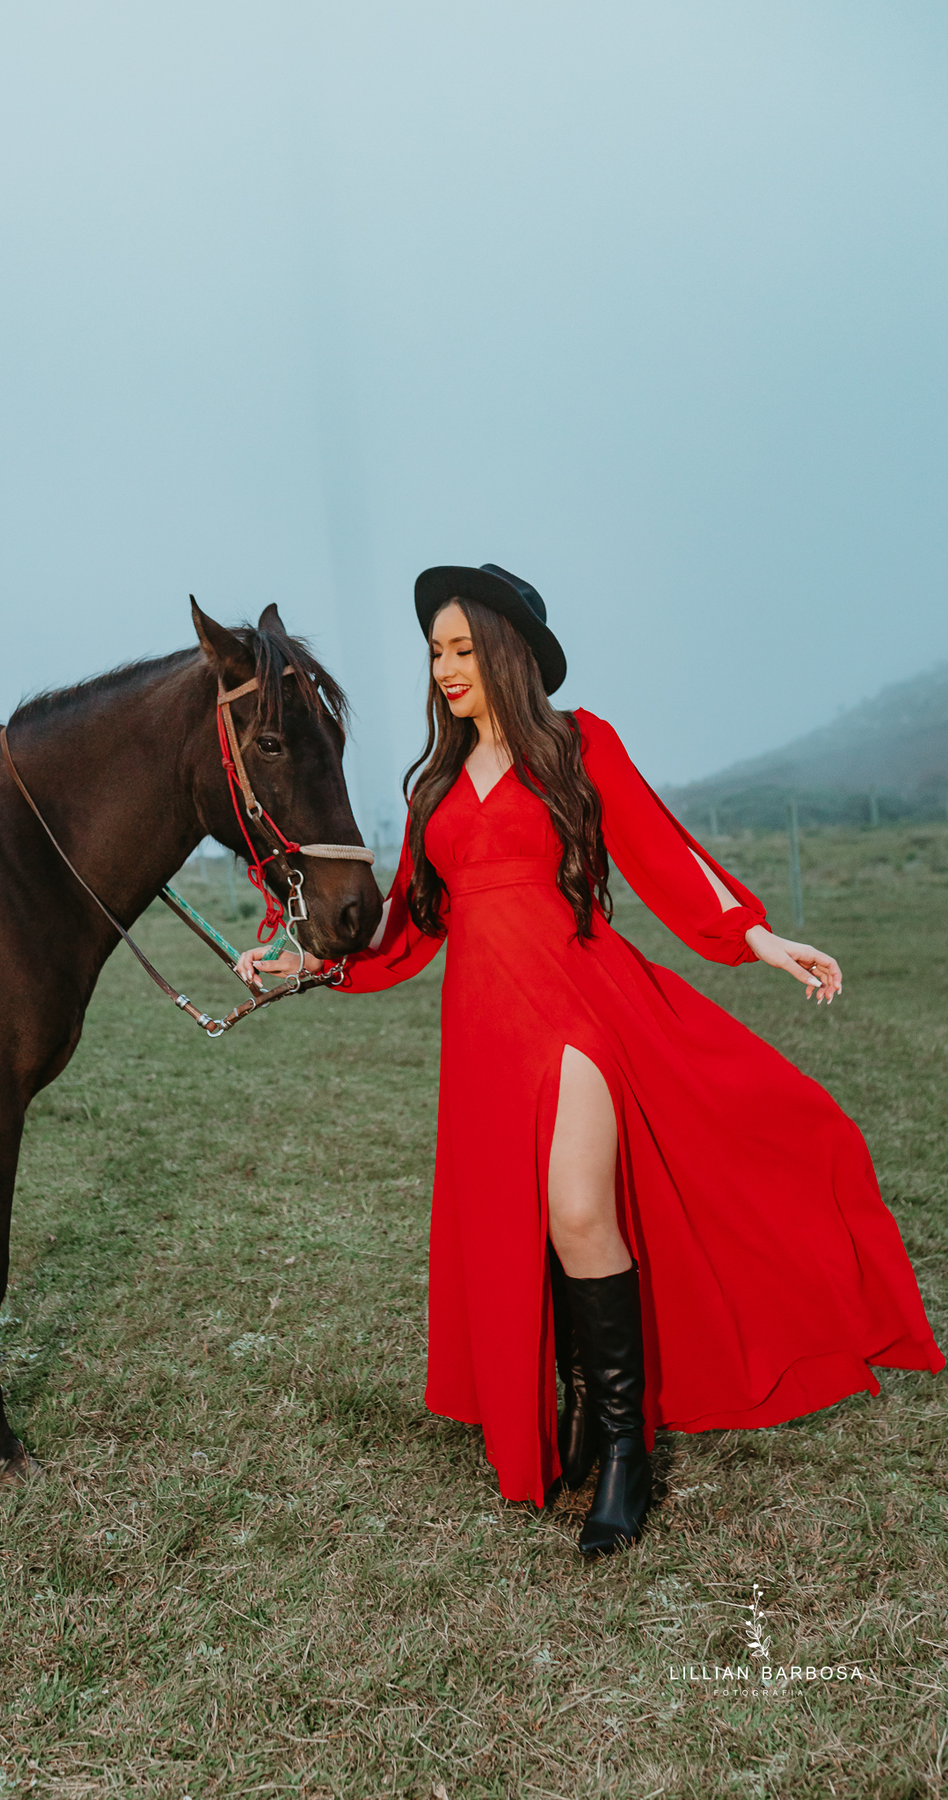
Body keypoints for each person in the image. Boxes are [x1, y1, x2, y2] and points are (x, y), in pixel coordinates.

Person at [237, 564, 943, 1555]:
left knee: (578, 1210)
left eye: (463, 649)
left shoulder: (579, 745)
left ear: (508, 651)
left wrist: (761, 938)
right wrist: (303, 963)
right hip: (482, 1030)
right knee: (534, 1228)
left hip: (580, 1005)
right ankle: (578, 1424)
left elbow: (666, 856)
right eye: (436, 652)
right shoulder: (435, 785)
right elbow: (408, 929)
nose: (445, 668)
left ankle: (623, 1451)